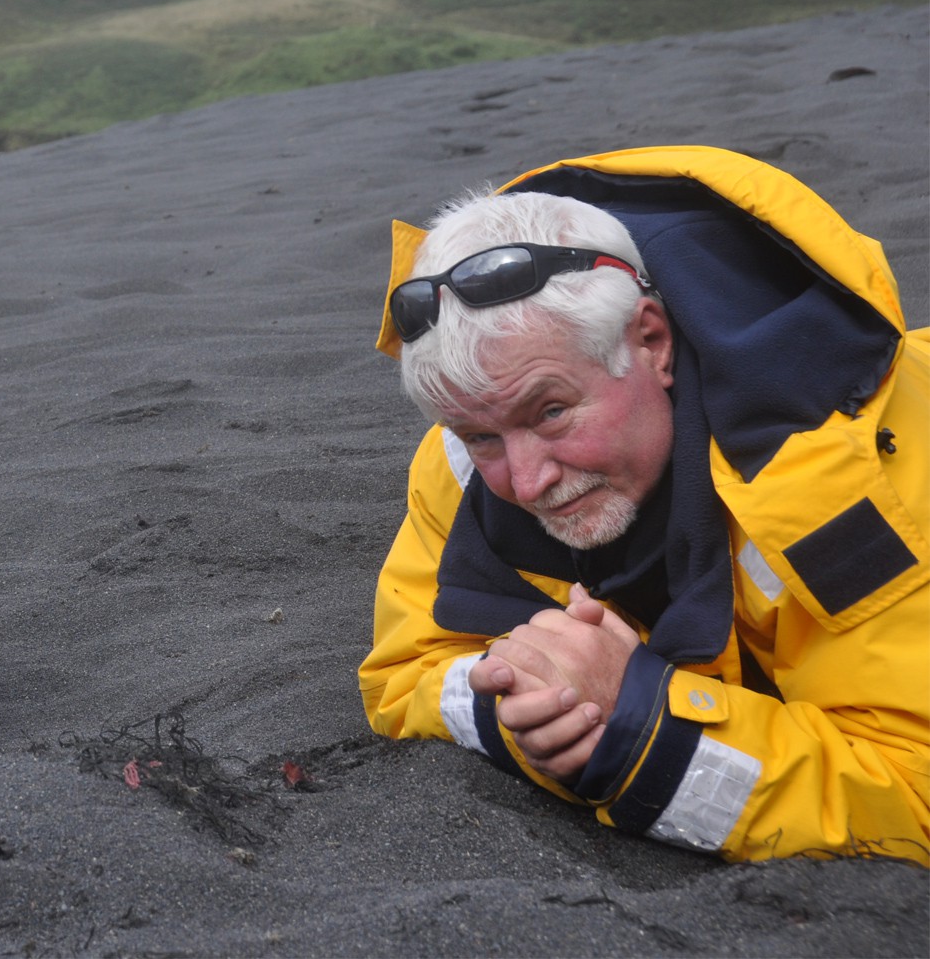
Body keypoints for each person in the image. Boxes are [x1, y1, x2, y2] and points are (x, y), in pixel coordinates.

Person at [360, 145, 929, 863]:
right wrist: (527, 709)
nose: (528, 480)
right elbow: (404, 669)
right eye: (481, 434)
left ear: (651, 341)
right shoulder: (464, 461)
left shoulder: (835, 474)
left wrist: (642, 727)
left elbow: (913, 794)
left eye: (553, 411)